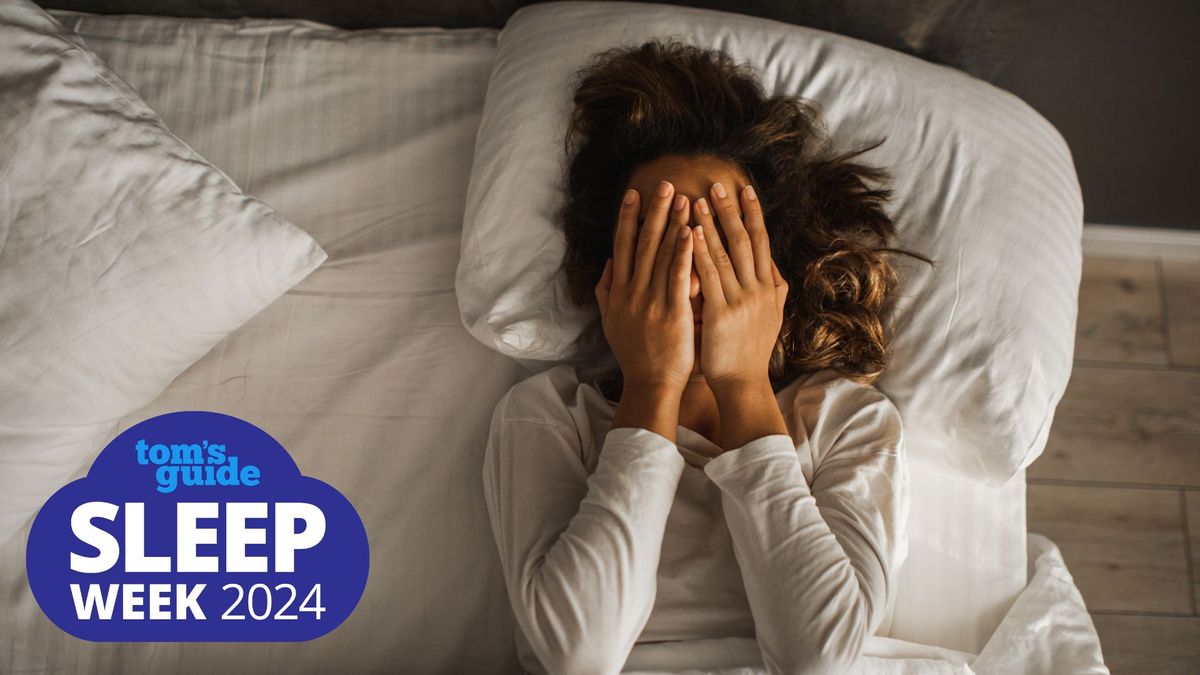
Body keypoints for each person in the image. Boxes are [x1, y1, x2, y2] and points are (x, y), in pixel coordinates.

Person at [482, 38, 935, 675]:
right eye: (658, 242)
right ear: (610, 272)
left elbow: (821, 660)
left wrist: (743, 384)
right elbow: (579, 654)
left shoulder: (845, 419)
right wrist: (652, 386)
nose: (693, 276)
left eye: (721, 241)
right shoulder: (550, 415)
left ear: (770, 267)